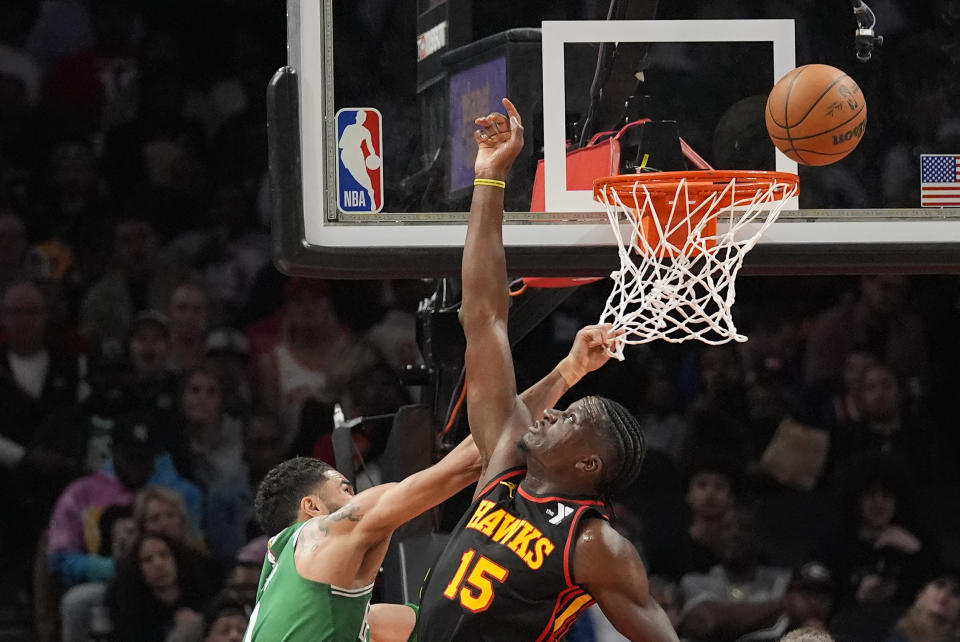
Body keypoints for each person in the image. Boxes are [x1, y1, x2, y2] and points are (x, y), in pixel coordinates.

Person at [416, 98, 677, 641]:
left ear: (587, 465)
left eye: (569, 417)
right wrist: (489, 178)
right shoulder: (504, 472)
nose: (552, 411)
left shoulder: (593, 544)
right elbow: (483, 317)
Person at [242, 437, 483, 641]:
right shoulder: (318, 536)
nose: (358, 499)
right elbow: (469, 462)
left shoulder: (282, 597)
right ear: (313, 507)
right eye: (346, 491)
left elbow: (448, 628)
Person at [884, 569, 960, 642]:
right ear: (921, 593)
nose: (944, 595)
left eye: (956, 592)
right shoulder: (886, 631)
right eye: (940, 585)